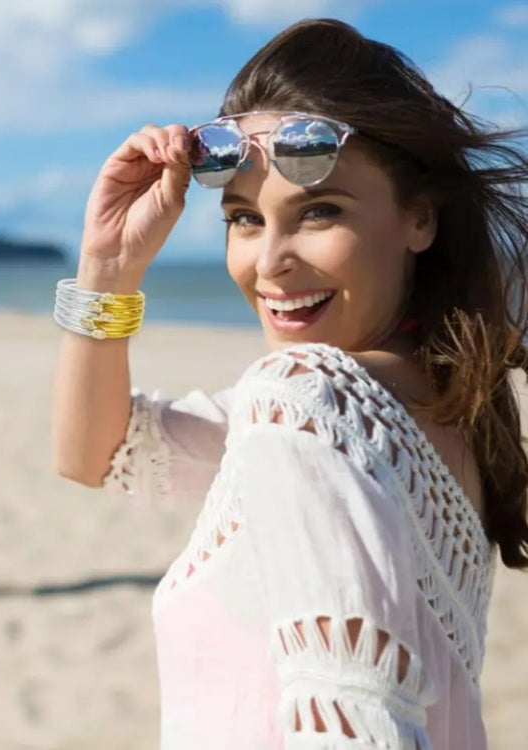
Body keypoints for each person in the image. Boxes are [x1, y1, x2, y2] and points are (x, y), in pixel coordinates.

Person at [52, 18, 528, 750]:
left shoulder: (305, 398)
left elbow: (355, 725)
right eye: (243, 219)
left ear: (419, 219)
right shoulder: (433, 402)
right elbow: (98, 453)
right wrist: (107, 266)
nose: (268, 262)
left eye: (319, 212)